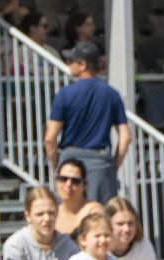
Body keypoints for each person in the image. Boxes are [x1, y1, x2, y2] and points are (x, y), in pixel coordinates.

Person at [44, 41, 130, 203]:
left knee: (69, 213)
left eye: (72, 61)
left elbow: (50, 138)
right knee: (101, 216)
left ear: (83, 65)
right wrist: (113, 167)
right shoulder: (112, 94)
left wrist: (57, 167)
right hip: (100, 164)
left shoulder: (64, 93)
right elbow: (125, 137)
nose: (68, 64)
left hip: (70, 163)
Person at [53, 157, 104, 236]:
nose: (68, 184)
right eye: (63, 179)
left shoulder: (94, 212)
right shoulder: (53, 214)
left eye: (75, 181)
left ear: (84, 185)